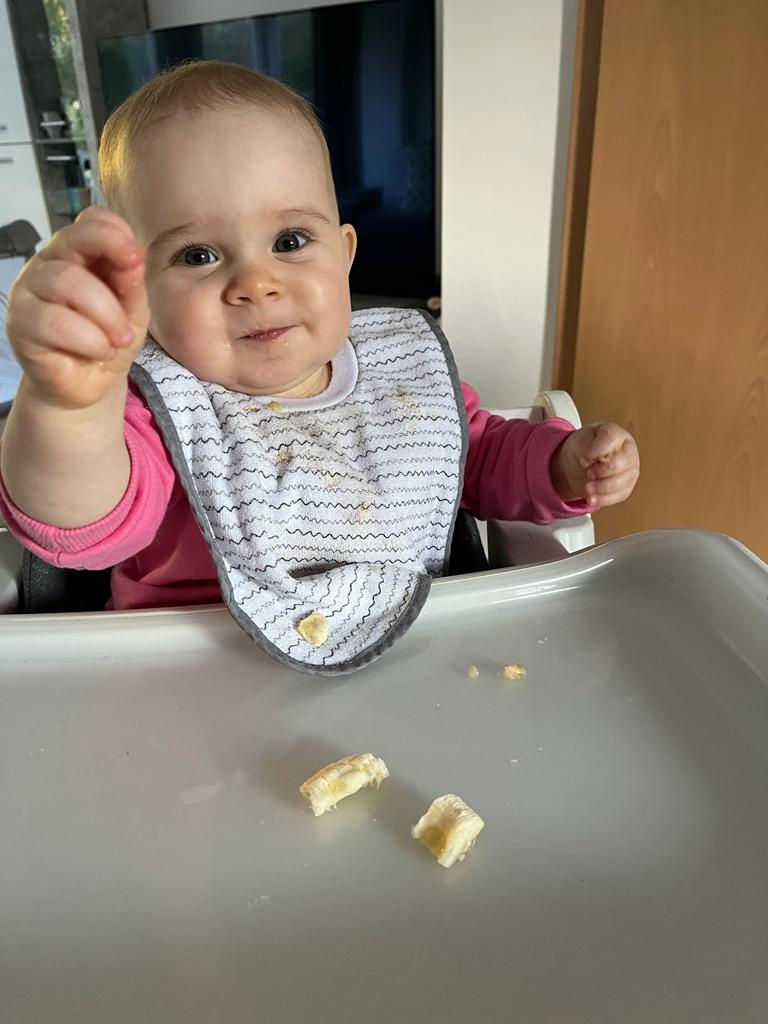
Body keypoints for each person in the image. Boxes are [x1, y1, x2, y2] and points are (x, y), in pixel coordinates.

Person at [0, 61, 639, 675]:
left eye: (290, 241)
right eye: (197, 255)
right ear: (139, 290)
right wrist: (69, 408)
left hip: (413, 656)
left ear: (345, 252)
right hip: (187, 686)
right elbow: (86, 526)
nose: (256, 283)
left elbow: (481, 456)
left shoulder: (399, 377)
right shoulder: (159, 408)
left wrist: (560, 466)